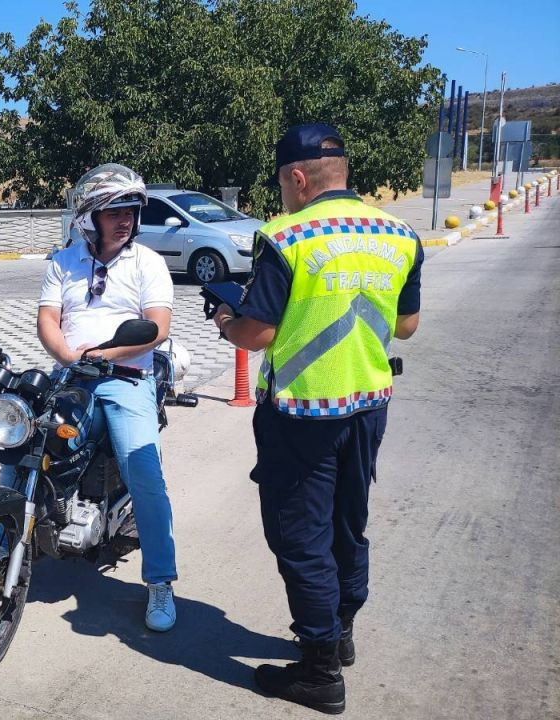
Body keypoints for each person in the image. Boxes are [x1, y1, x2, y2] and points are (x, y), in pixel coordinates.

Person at [212, 123, 423, 714]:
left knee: (301, 538)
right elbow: (407, 325)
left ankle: (320, 671)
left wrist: (229, 320)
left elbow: (260, 334)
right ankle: (343, 633)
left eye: (283, 184)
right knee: (346, 525)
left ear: (297, 177)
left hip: (301, 414)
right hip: (368, 405)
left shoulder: (286, 236)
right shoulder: (400, 233)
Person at [37, 166, 179, 631]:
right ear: (88, 218)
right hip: (73, 376)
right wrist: (69, 356)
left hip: (126, 378)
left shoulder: (147, 263)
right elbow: (48, 322)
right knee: (34, 444)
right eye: (113, 211)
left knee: (145, 473)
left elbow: (157, 328)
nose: (124, 220)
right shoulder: (63, 262)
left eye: (130, 211)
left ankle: (160, 582)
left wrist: (106, 353)